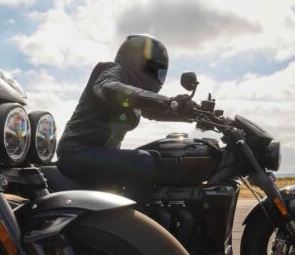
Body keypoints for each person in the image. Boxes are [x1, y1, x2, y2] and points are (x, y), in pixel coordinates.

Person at [57, 34, 194, 206]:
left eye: (159, 72)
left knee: (160, 158)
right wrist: (169, 101)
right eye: (151, 69)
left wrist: (192, 113)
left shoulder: (134, 96)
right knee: (143, 161)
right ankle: (129, 219)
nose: (155, 76)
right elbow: (108, 87)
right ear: (133, 60)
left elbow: (155, 110)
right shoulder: (112, 71)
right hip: (76, 152)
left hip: (98, 154)